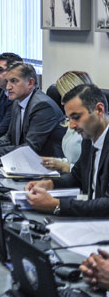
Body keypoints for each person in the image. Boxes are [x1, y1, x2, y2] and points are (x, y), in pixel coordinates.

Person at [25, 84, 109, 217]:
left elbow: (107, 204)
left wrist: (57, 205)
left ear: (99, 110)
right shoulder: (89, 138)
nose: (72, 125)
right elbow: (77, 176)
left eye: (76, 117)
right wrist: (50, 184)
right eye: (69, 118)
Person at [0, 62, 64, 157]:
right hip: (25, 160)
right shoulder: (17, 102)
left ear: (30, 83)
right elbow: (9, 137)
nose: (8, 87)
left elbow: (30, 148)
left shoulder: (43, 106)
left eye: (14, 81)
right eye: (7, 81)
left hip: (47, 163)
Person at [41, 71, 94, 174]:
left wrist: (64, 166)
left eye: (63, 96)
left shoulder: (92, 127)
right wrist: (52, 162)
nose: (61, 102)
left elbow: (90, 170)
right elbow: (71, 160)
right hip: (70, 176)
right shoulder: (71, 121)